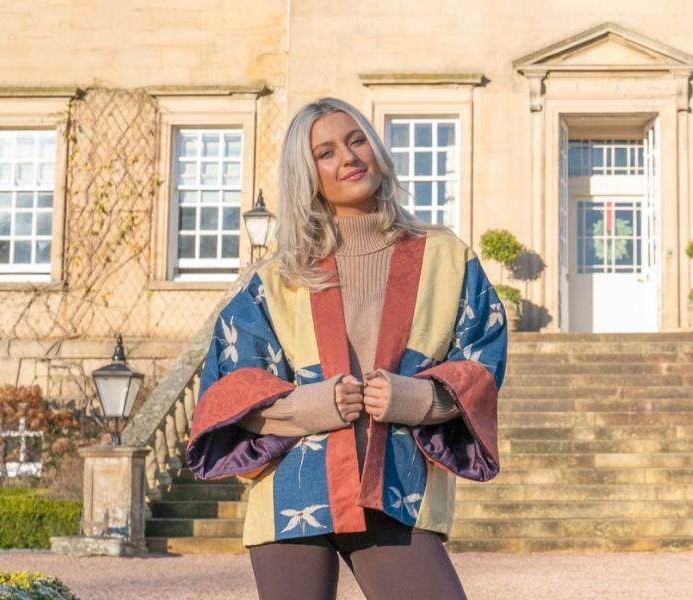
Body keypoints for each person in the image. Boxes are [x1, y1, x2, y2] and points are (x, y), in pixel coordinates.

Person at [186, 97, 508, 600]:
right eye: (327, 152)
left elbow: (482, 363)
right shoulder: (278, 278)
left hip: (397, 486)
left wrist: (418, 399)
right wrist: (312, 405)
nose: (349, 157)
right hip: (292, 491)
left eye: (357, 140)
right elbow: (230, 389)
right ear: (307, 174)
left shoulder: (447, 257)